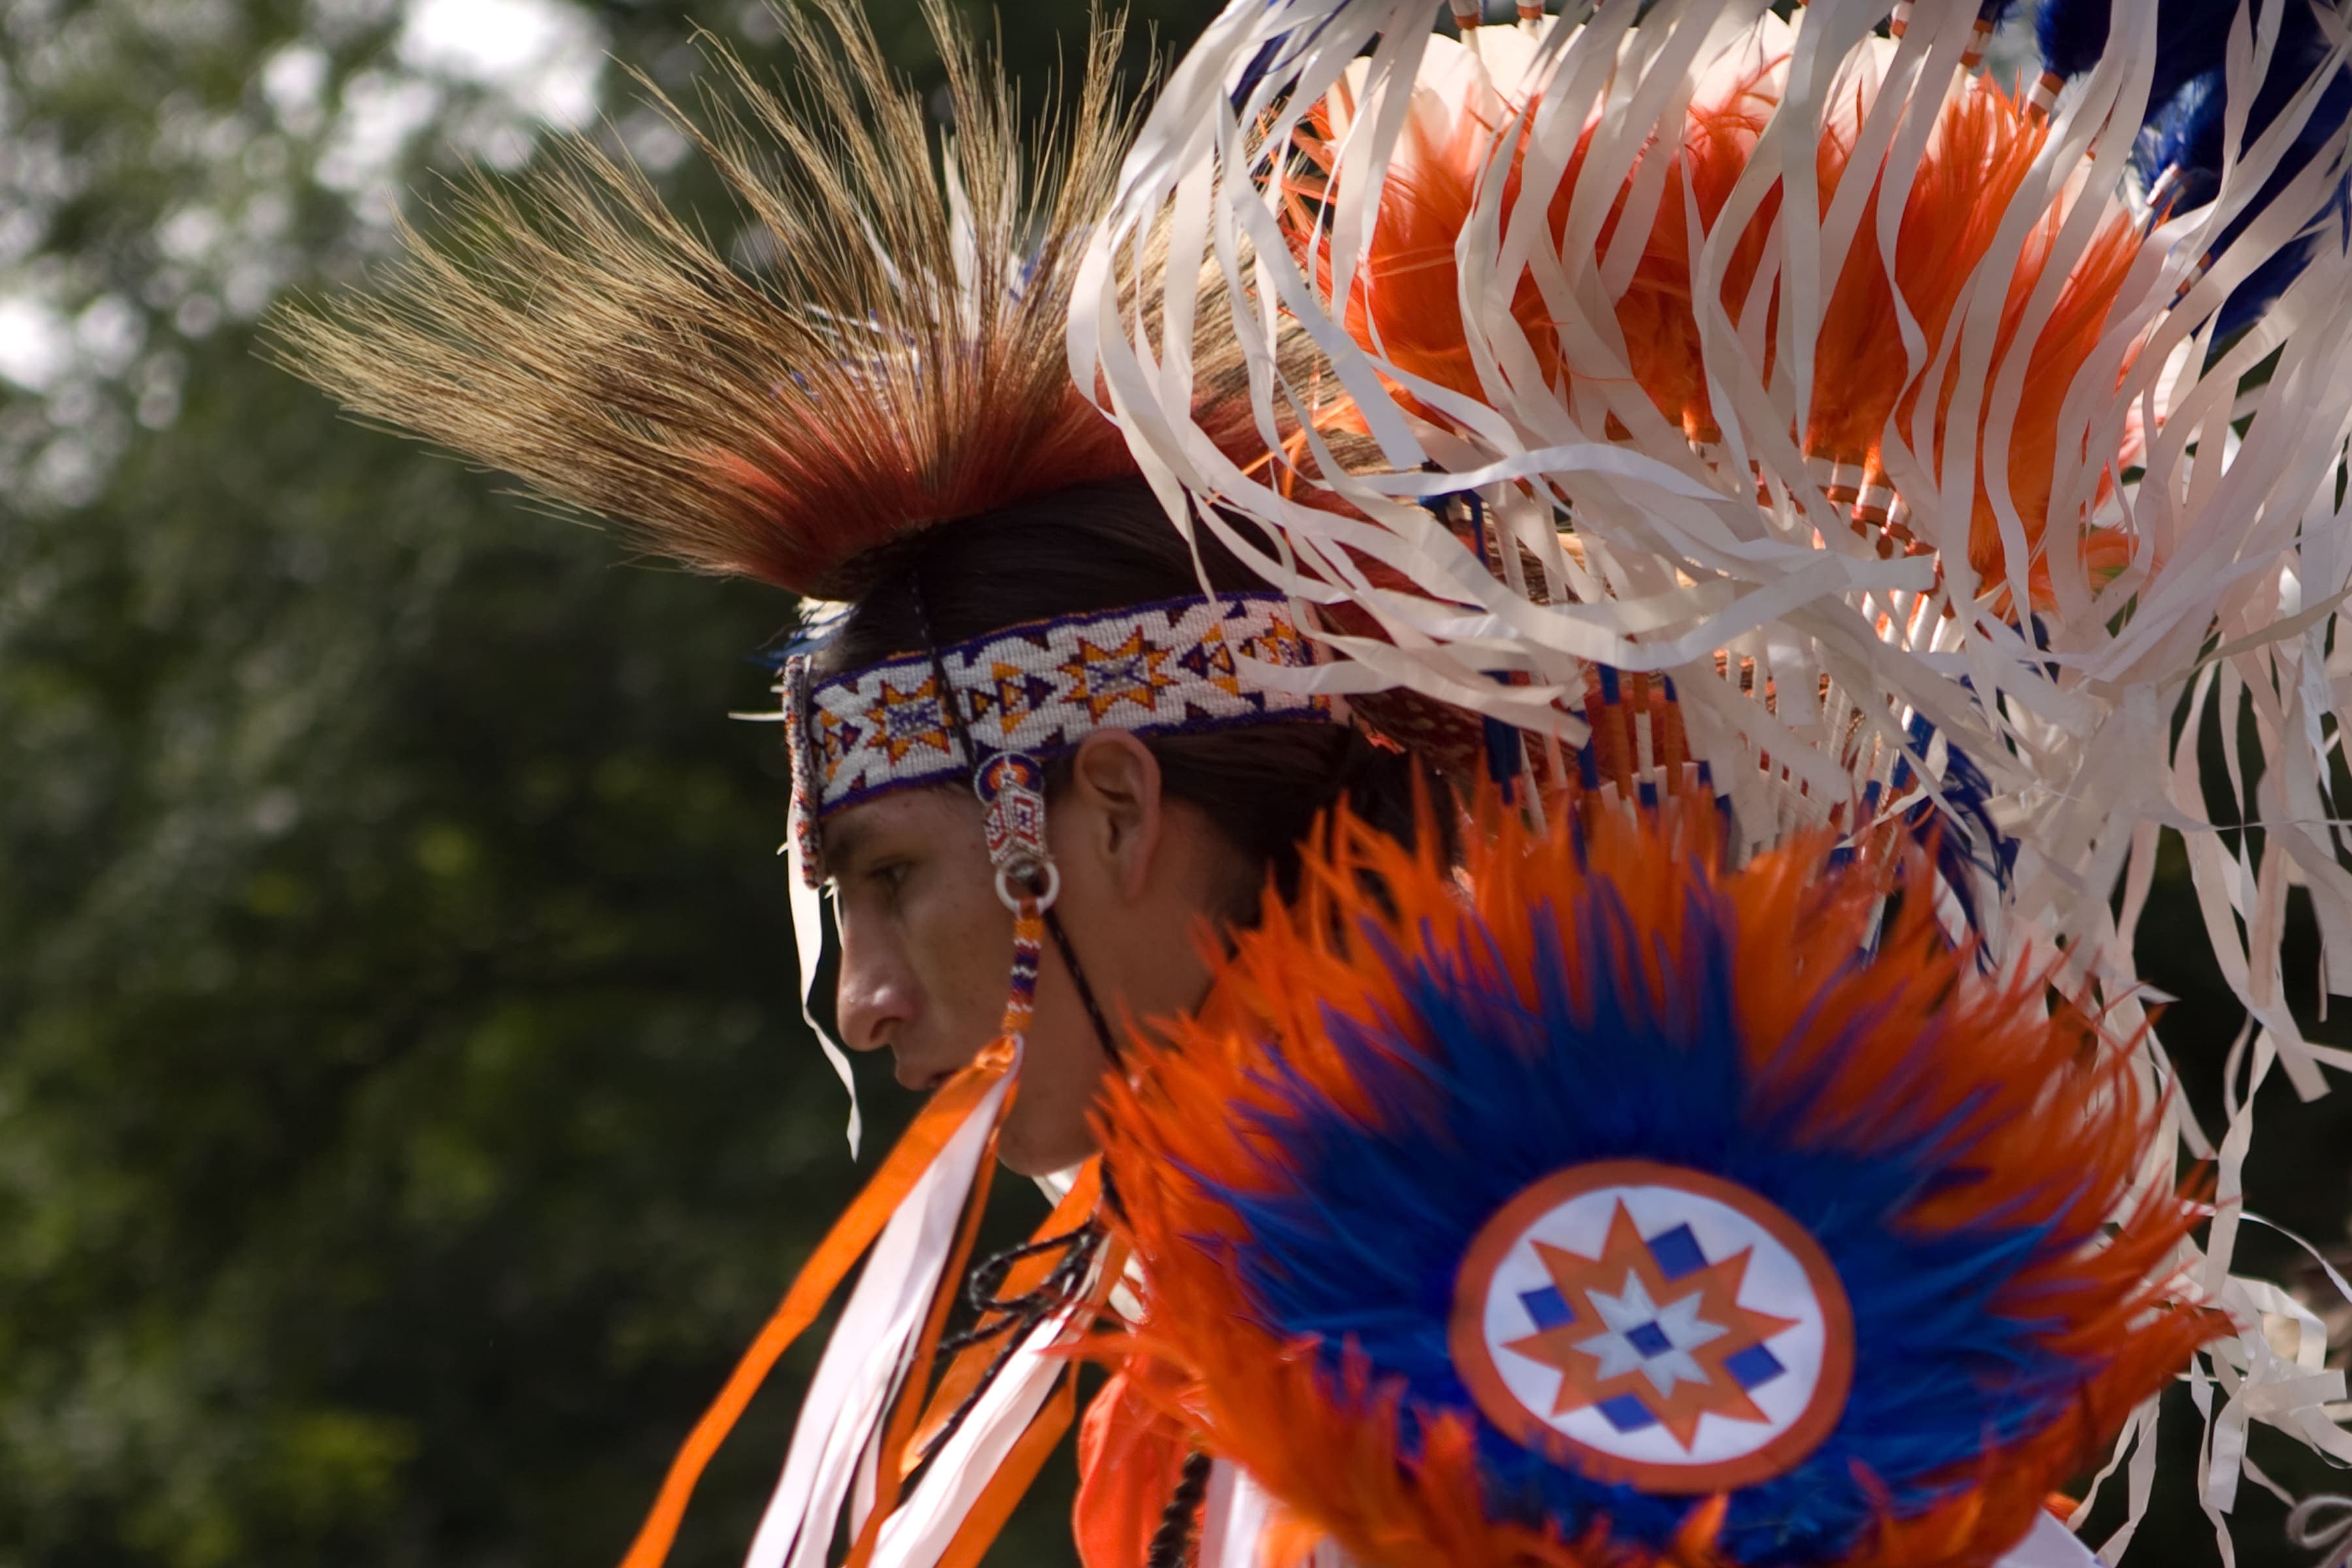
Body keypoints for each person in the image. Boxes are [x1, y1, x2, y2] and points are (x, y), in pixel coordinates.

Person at [273, 5, 1442, 1566]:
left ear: (1110, 806)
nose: (862, 1004)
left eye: (891, 881)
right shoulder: (1255, 1309)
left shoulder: (1528, 1277)